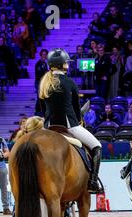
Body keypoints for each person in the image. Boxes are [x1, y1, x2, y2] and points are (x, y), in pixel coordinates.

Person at [39, 48, 103, 193]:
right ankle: (93, 182)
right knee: (97, 147)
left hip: (48, 127)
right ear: (63, 64)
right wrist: (79, 120)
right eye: (67, 62)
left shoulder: (43, 83)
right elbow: (76, 108)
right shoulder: (69, 82)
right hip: (69, 126)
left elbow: (43, 109)